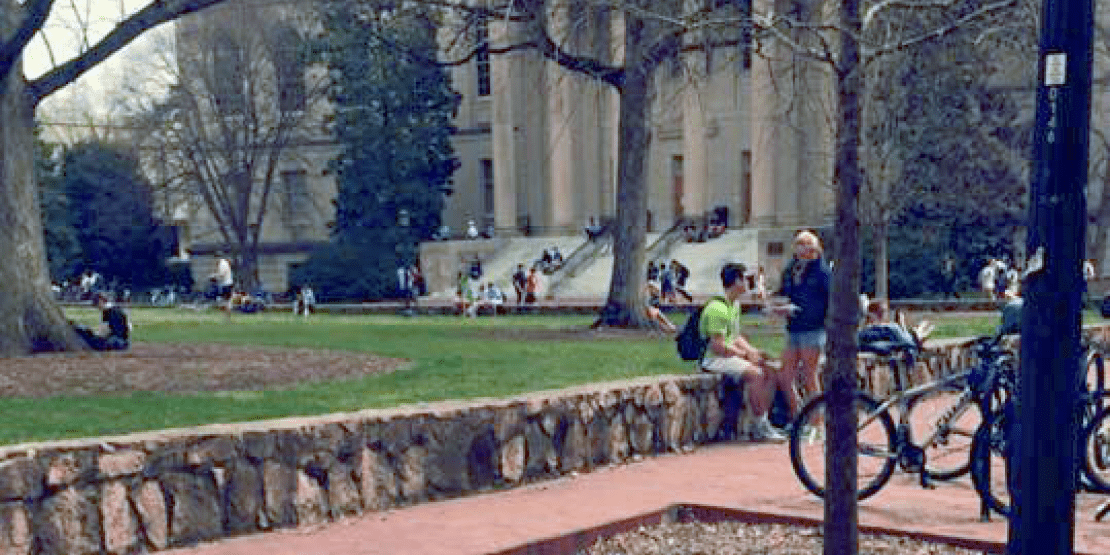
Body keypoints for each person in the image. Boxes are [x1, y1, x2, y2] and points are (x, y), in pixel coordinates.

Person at [700, 263, 791, 441]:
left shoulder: (734, 306)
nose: (749, 283)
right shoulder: (717, 308)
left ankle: (764, 421)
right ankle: (758, 427)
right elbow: (717, 346)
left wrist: (752, 351)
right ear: (736, 281)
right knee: (756, 374)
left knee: (771, 370)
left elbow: (734, 337)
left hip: (728, 355)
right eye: (745, 279)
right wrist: (743, 355)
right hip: (713, 359)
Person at [773, 230, 831, 417]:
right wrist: (777, 304)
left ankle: (817, 420)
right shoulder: (792, 269)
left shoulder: (821, 270)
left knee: (809, 376)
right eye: (799, 243)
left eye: (806, 243)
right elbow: (784, 291)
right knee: (785, 375)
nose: (802, 247)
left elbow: (829, 297)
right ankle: (797, 415)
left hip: (812, 328)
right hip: (794, 326)